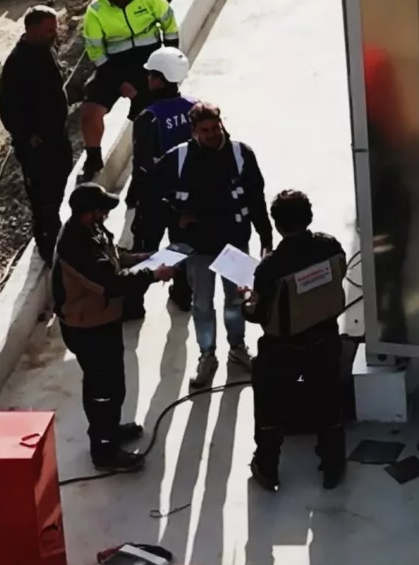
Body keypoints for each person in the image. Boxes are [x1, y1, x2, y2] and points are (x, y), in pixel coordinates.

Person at [55, 183, 175, 470]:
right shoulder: (76, 246)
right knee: (102, 390)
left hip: (102, 321)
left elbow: (114, 256)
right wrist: (155, 274)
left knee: (114, 384)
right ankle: (104, 451)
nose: (106, 214)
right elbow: (111, 283)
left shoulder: (91, 231)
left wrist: (144, 258)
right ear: (87, 213)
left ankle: (109, 431)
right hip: (87, 328)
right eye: (102, 210)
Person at [244, 190, 353, 492]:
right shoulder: (329, 246)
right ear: (309, 217)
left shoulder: (270, 268)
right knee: (329, 401)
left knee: (268, 404)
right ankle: (333, 466)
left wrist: (245, 300)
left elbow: (257, 316)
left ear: (276, 224)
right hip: (325, 338)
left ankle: (267, 467)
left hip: (284, 348)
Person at [161, 103, 273, 386]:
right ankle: (206, 355)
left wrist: (266, 240)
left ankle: (237, 349)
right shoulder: (178, 158)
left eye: (216, 128)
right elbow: (151, 196)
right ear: (194, 131)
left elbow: (256, 199)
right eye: (205, 130)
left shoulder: (240, 154)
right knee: (201, 305)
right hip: (198, 248)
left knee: (236, 301)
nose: (212, 135)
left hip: (234, 244)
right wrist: (177, 215)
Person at [77, 0, 178, 169]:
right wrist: (120, 81)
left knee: (152, 110)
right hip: (114, 65)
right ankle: (93, 158)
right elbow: (96, 52)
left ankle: (153, 157)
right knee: (90, 111)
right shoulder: (96, 10)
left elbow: (169, 23)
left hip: (149, 61)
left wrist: (169, 62)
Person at [122, 45, 198, 320]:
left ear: (159, 79)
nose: (148, 79)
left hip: (156, 200)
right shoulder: (196, 108)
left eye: (151, 75)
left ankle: (133, 304)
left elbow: (142, 167)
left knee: (144, 250)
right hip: (187, 198)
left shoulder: (149, 117)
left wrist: (138, 201)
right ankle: (182, 293)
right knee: (181, 247)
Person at [0, 8, 71, 260]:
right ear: (32, 28)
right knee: (42, 195)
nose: (54, 33)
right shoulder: (18, 62)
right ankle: (48, 244)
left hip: (56, 135)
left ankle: (56, 233)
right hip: (36, 142)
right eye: (49, 29)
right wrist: (28, 135)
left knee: (58, 185)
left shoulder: (47, 47)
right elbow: (7, 106)